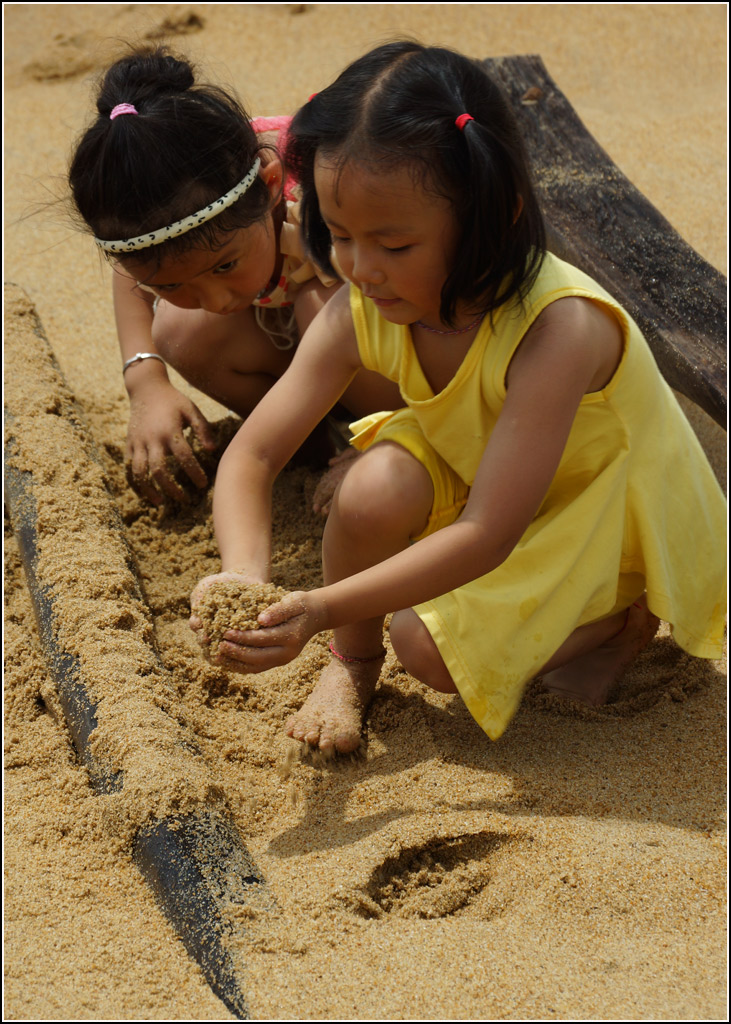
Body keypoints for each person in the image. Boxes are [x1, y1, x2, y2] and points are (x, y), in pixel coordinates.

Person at [190, 41, 726, 755]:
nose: (361, 268)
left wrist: (315, 608)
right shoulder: (361, 306)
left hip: (592, 510)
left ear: (490, 215)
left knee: (427, 645)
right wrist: (243, 579)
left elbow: (486, 533)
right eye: (340, 235)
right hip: (486, 468)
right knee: (370, 491)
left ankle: (615, 619)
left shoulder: (558, 328)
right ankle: (351, 664)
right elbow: (255, 454)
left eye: (395, 244)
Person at [68, 45, 399, 505]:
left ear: (268, 189)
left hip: (398, 334)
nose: (218, 300)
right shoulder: (160, 210)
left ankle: (393, 434)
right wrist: (146, 383)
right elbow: (132, 278)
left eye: (224, 266)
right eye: (170, 283)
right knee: (179, 328)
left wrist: (408, 434)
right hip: (292, 337)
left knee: (321, 306)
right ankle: (310, 449)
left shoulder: (324, 182)